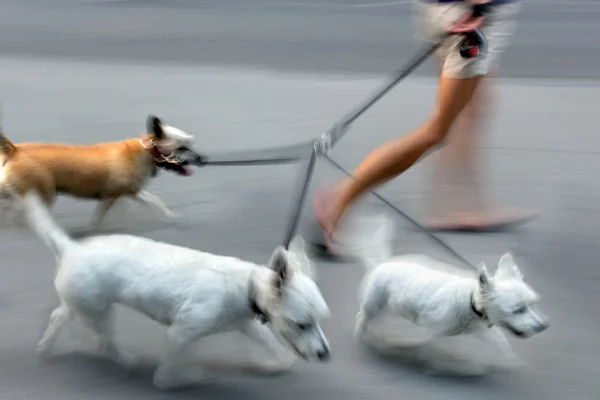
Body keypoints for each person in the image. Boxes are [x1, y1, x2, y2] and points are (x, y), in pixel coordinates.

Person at [314, 0, 535, 253]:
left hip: (459, 15)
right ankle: (340, 198)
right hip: (468, 21)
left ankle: (459, 206)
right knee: (436, 131)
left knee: (474, 109)